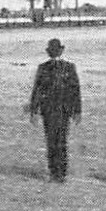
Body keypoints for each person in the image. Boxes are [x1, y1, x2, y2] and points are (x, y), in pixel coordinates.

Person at [28, 38, 82, 182]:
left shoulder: (68, 67)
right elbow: (37, 90)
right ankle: (55, 172)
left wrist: (77, 111)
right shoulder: (44, 68)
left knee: (59, 141)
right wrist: (34, 110)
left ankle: (60, 172)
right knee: (53, 141)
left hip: (61, 110)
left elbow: (75, 90)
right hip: (50, 110)